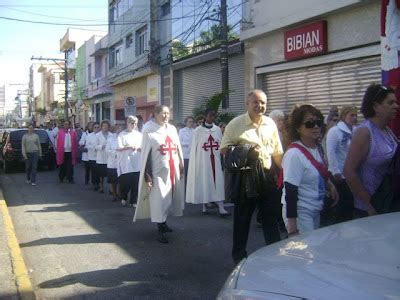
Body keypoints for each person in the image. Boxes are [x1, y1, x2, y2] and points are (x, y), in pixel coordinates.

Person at [221, 90, 284, 264]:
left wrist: (283, 172)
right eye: (255, 102)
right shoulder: (235, 124)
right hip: (245, 178)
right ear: (247, 104)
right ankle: (239, 257)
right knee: (242, 220)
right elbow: (225, 150)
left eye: (263, 102)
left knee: (271, 218)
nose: (259, 106)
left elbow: (277, 151)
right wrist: (247, 151)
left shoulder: (270, 123)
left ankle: (274, 254)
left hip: (267, 176)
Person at [281, 104, 339, 236]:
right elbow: (290, 191)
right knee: (306, 252)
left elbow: (318, 171)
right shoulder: (294, 154)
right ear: (297, 128)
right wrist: (292, 228)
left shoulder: (317, 148)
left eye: (318, 122)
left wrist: (330, 185)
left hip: (315, 208)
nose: (316, 126)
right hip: (301, 212)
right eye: (309, 123)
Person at [344, 84, 399, 218]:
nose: (396, 106)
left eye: (396, 102)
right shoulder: (364, 132)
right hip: (369, 210)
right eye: (390, 102)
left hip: (387, 204)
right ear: (375, 106)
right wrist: (368, 204)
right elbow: (348, 171)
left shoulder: (387, 130)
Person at [133, 105, 185, 244]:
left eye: (168, 113)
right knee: (159, 200)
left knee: (169, 199)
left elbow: (177, 148)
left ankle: (164, 223)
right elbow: (146, 153)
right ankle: (160, 229)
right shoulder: (148, 129)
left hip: (172, 169)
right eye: (163, 113)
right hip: (157, 172)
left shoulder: (172, 129)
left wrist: (180, 164)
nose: (166, 116)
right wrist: (147, 175)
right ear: (155, 114)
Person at [186, 108, 230, 216]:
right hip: (203, 161)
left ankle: (221, 207)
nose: (212, 118)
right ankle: (204, 205)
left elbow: (221, 145)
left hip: (215, 160)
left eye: (214, 116)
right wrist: (195, 162)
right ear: (205, 116)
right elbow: (194, 148)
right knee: (204, 182)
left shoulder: (217, 130)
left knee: (218, 182)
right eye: (210, 116)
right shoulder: (198, 131)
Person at [326, 105, 358, 223]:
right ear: (344, 116)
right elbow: (331, 152)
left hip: (351, 173)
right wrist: (335, 171)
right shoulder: (335, 131)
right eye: (351, 115)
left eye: (355, 115)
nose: (354, 118)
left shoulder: (356, 130)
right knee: (343, 203)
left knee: (350, 204)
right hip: (339, 174)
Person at [117, 116, 142, 207]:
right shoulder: (122, 135)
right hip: (126, 162)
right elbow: (119, 148)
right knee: (126, 182)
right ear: (127, 123)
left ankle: (133, 201)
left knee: (135, 182)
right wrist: (129, 147)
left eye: (135, 123)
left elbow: (143, 147)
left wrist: (139, 148)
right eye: (132, 123)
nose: (134, 125)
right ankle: (124, 196)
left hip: (137, 161)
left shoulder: (139, 135)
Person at [95, 120, 112, 193]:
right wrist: (102, 146)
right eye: (103, 126)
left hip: (109, 157)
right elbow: (95, 146)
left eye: (106, 126)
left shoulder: (112, 135)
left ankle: (111, 189)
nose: (105, 127)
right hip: (101, 157)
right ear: (101, 127)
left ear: (108, 127)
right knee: (101, 175)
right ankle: (101, 187)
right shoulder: (97, 135)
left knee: (110, 174)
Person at [178, 116, 195, 189]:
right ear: (186, 122)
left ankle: (190, 188)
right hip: (185, 155)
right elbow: (179, 142)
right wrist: (187, 144)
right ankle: (184, 188)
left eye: (192, 122)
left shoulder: (194, 131)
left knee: (191, 174)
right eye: (189, 121)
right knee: (185, 173)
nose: (191, 123)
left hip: (192, 155)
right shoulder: (182, 131)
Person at [106, 124, 121, 202]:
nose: (119, 130)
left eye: (121, 128)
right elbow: (107, 150)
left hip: (121, 163)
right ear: (115, 129)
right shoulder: (110, 138)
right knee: (113, 181)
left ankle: (119, 194)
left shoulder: (124, 138)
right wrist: (115, 153)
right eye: (118, 128)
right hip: (112, 163)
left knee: (120, 181)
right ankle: (114, 195)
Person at [86, 122, 100, 190]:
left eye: (98, 127)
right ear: (93, 128)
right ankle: (95, 184)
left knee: (98, 171)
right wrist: (94, 147)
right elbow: (87, 145)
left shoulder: (101, 135)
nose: (96, 129)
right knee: (94, 171)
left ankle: (99, 183)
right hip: (92, 156)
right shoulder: (89, 136)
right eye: (95, 127)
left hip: (100, 156)